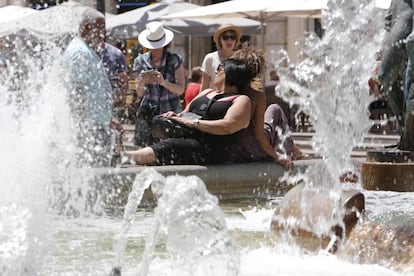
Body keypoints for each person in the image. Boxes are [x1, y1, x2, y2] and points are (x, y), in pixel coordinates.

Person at [125, 58, 251, 166]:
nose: (216, 71)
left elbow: (227, 126)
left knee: (171, 145)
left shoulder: (241, 100)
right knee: (156, 127)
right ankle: (129, 157)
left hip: (210, 148)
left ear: (231, 72)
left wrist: (194, 123)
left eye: (220, 68)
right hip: (187, 137)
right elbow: (186, 112)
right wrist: (176, 116)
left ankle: (125, 158)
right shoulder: (207, 92)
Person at [227, 48, 306, 170]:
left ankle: (294, 150)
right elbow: (259, 135)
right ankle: (287, 153)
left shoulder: (229, 92)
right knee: (275, 109)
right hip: (255, 150)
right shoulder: (256, 96)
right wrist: (277, 156)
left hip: (236, 150)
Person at [61, 9, 115, 167]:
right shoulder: (79, 54)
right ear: (85, 27)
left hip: (95, 124)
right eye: (100, 29)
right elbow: (75, 94)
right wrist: (80, 132)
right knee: (95, 175)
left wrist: (107, 117)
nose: (103, 34)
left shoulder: (85, 50)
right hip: (89, 128)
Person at [133, 21, 185, 147]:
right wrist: (141, 81)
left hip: (170, 111)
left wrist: (163, 82)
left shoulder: (174, 59)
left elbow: (181, 90)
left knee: (169, 150)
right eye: (152, 45)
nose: (155, 49)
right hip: (148, 111)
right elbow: (139, 93)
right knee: (145, 149)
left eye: (158, 45)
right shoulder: (140, 61)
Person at [377, 0, 414, 150]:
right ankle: (405, 132)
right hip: (400, 22)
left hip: (411, 27)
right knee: (384, 75)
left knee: (411, 87)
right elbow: (389, 24)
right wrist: (382, 48)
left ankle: (409, 139)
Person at [199, 24, 242, 92]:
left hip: (235, 99)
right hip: (216, 99)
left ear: (236, 40)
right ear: (220, 40)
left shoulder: (240, 59)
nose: (229, 41)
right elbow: (205, 85)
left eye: (232, 37)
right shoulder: (210, 58)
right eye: (225, 37)